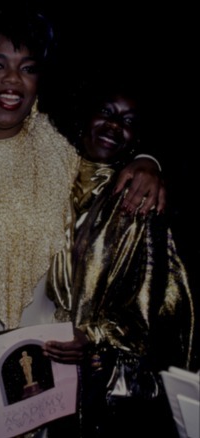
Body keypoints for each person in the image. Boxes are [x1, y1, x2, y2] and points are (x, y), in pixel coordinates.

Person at [0, 9, 166, 336]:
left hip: (46, 344)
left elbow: (113, 148)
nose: (12, 79)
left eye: (28, 68)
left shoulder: (57, 146)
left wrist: (148, 161)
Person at [43, 83, 195, 437]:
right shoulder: (44, 179)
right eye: (107, 112)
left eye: (128, 121)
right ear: (85, 118)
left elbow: (157, 304)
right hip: (28, 368)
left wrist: (95, 337)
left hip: (96, 384)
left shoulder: (138, 200)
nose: (114, 126)